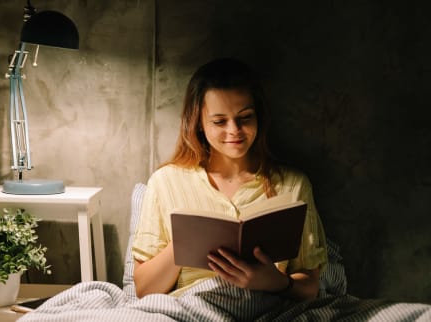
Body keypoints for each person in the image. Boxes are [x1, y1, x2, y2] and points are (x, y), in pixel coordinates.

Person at [132, 58, 327, 301]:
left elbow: (311, 288)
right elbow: (143, 290)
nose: (234, 130)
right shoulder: (165, 182)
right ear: (199, 124)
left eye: (245, 117)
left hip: (267, 308)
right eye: (219, 121)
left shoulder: (293, 184)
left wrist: (274, 282)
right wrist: (186, 242)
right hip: (192, 308)